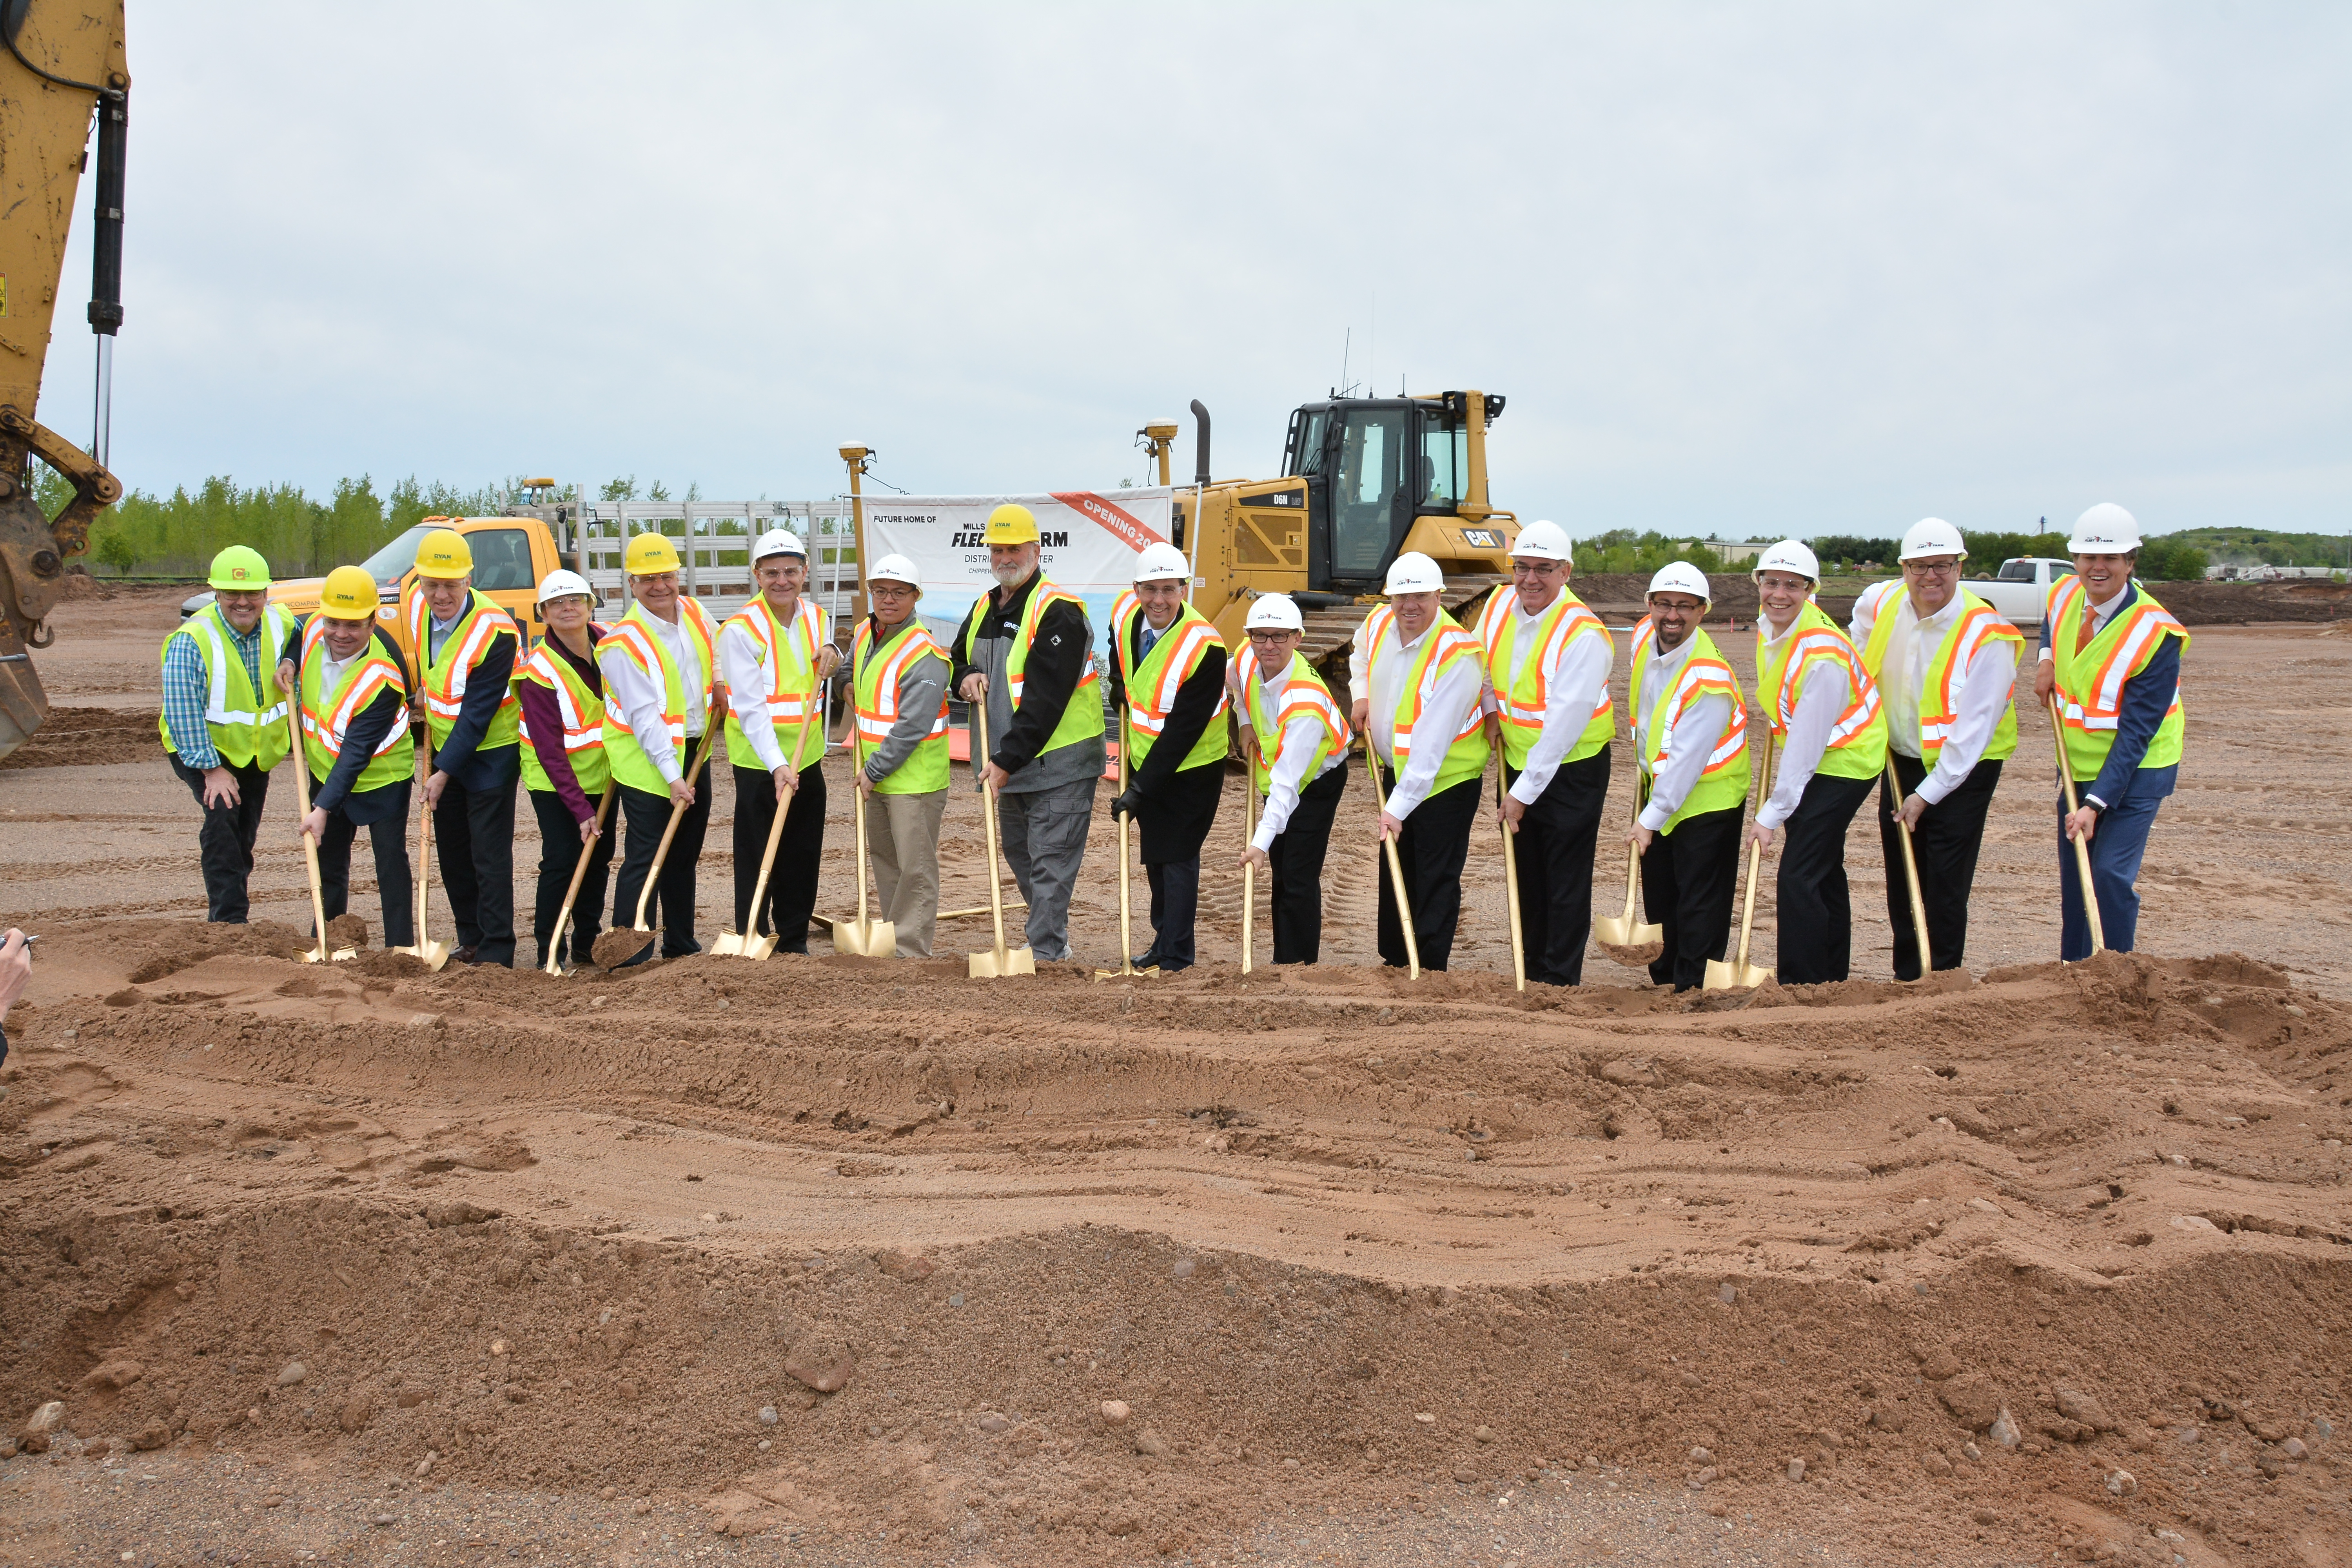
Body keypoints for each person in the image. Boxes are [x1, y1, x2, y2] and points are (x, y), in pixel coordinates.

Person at [1851, 518, 2022, 979]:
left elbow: (1973, 732)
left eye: (1943, 565)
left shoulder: (1989, 636)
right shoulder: (1881, 600)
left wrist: (1927, 795)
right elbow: (1859, 634)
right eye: (1920, 566)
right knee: (1903, 878)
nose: (1931, 577)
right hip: (1901, 761)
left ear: (1960, 566)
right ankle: (1909, 977)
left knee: (1944, 881)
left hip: (1965, 771)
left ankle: (1943, 979)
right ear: (1904, 567)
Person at [948, 503, 1107, 963]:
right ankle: (1049, 940)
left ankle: (1045, 952)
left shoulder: (1060, 613)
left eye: (1013, 548)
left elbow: (1045, 702)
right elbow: (956, 657)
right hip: (1011, 762)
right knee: (1023, 857)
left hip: (1059, 761)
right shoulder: (985, 605)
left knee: (1051, 862)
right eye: (997, 549)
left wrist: (1002, 761)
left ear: (1036, 550)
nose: (1004, 557)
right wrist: (963, 676)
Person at [2034, 503, 2188, 960]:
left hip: (2139, 768)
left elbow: (2137, 733)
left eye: (2111, 559)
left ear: (2131, 562)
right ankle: (2073, 972)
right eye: (2087, 558)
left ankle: (2114, 974)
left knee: (2108, 876)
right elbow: (2050, 620)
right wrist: (2045, 659)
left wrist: (2095, 805)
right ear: (2075, 560)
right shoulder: (2066, 591)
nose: (2097, 568)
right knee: (2076, 877)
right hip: (2077, 761)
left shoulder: (2157, 634)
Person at [1470, 520, 1615, 987]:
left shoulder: (1583, 634)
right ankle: (1530, 967)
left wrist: (1522, 793)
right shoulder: (1498, 605)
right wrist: (1491, 709)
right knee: (1528, 871)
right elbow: (1479, 663)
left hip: (1572, 769)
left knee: (1564, 876)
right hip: (1519, 758)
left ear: (1566, 572)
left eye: (1544, 569)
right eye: (1522, 567)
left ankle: (1558, 979)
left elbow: (1562, 728)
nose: (1530, 579)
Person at [1745, 541, 1888, 985]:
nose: (1780, 593)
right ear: (1759, 585)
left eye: (1792, 585)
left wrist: (1771, 814)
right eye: (1771, 583)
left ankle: (1801, 985)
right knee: (1824, 867)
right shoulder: (1774, 626)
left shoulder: (1822, 654)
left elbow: (1806, 750)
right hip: (1826, 751)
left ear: (1811, 590)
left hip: (1846, 760)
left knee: (1798, 874)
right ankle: (1830, 978)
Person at [272, 566, 414, 951]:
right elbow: (299, 631)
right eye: (334, 622)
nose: (340, 634)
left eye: (353, 625)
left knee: (390, 864)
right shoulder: (318, 625)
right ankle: (327, 939)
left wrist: (322, 808)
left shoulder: (384, 678)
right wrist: (289, 659)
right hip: (323, 768)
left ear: (372, 623)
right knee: (330, 862)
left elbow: (356, 754)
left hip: (382, 776)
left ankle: (400, 948)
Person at [1357, 552, 1488, 971]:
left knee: (1435, 876)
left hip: (1446, 783)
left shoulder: (1458, 654)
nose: (1409, 606)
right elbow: (1359, 653)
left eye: (1420, 596)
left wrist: (1396, 808)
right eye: (1400, 596)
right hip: (1396, 772)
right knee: (1397, 868)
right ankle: (1396, 959)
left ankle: (1430, 968)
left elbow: (1431, 748)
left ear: (1439, 596)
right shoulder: (1380, 623)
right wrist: (1361, 695)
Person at [598, 532, 724, 966]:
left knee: (684, 852)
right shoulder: (621, 644)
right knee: (648, 852)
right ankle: (629, 952)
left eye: (666, 576)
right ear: (631, 583)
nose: (659, 586)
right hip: (646, 761)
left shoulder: (693, 611)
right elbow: (645, 718)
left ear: (677, 576)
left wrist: (721, 683)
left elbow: (717, 645)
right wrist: (672, 777)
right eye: (647, 578)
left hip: (695, 748)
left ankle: (681, 944)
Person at [400, 528, 524, 967]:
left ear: (469, 580)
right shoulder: (417, 606)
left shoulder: (497, 632)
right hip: (445, 750)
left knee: (488, 855)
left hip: (490, 752)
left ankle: (496, 950)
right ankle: (470, 937)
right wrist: (421, 691)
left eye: (450, 584)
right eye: (431, 583)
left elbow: (478, 714)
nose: (440, 594)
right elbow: (434, 667)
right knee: (452, 851)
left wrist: (441, 771)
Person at [1106, 541, 1229, 973]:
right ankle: (1163, 940)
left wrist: (1139, 789)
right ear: (1137, 588)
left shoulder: (1206, 649)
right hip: (1145, 756)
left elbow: (1182, 731)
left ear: (1184, 590)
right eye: (1151, 589)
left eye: (1170, 590)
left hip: (1192, 767)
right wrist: (1119, 678)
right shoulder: (1126, 612)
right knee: (1156, 856)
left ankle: (1177, 955)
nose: (1159, 600)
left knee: (1177, 857)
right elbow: (1116, 640)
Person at [1629, 563, 1750, 992]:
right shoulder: (1645, 638)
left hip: (1709, 797)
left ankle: (1694, 987)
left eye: (1685, 606)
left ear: (1704, 612)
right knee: (1662, 895)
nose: (1673, 615)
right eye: (1664, 604)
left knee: (1700, 900)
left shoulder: (1709, 679)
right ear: (1650, 606)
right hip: (1661, 789)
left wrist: (1649, 820)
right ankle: (1666, 979)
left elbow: (1686, 761)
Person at [160, 546, 296, 922]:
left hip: (254, 750)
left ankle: (234, 905)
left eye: (252, 593)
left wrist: (291, 660)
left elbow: (303, 635)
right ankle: (229, 920)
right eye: (231, 594)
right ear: (216, 593)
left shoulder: (278, 621)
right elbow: (182, 712)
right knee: (223, 819)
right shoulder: (192, 640)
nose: (242, 602)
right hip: (203, 749)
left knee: (244, 832)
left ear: (266, 595)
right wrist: (211, 771)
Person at [719, 530, 838, 956]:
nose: (782, 580)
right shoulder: (740, 629)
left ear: (804, 572)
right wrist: (776, 765)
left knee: (802, 853)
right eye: (772, 573)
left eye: (791, 571)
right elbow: (750, 708)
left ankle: (794, 937)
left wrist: (834, 657)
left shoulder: (818, 618)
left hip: (807, 757)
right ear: (757, 575)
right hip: (758, 762)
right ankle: (751, 929)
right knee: (757, 854)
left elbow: (823, 666)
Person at [1230, 593, 1349, 964]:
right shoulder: (1247, 656)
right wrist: (1245, 721)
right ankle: (1284, 957)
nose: (1268, 645)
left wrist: (1259, 845)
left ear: (1298, 638)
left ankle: (1298, 966)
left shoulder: (1305, 704)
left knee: (1298, 873)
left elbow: (1287, 785)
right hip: (1280, 774)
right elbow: (1234, 676)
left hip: (1317, 780)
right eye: (1260, 635)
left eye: (1279, 637)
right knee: (1282, 871)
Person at [851, 554, 953, 956]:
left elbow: (911, 725)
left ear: (916, 597)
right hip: (878, 775)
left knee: (916, 868)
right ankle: (893, 941)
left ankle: (911, 951)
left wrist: (873, 770)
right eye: (881, 591)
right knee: (886, 860)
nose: (888, 599)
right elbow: (853, 672)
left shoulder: (925, 654)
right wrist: (844, 680)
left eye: (899, 592)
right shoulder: (866, 633)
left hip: (915, 781)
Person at [516, 569, 613, 971]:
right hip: (554, 782)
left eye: (576, 599)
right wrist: (581, 811)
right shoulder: (539, 671)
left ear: (591, 604)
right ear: (544, 613)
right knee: (561, 859)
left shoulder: (612, 643)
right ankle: (549, 949)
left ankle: (587, 941)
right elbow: (550, 750)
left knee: (599, 856)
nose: (568, 607)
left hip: (606, 776)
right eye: (557, 603)